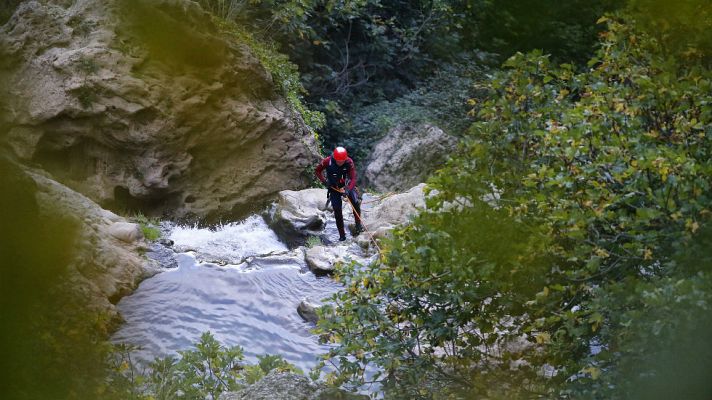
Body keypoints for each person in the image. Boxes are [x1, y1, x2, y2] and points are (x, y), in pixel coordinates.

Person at [315, 146, 364, 241]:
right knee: (337, 210)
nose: (341, 163)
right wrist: (324, 181)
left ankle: (358, 225)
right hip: (334, 187)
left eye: (342, 161)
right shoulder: (327, 161)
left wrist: (348, 190)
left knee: (355, 202)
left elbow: (353, 178)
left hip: (347, 185)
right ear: (335, 158)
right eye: (338, 161)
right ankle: (342, 236)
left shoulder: (349, 162)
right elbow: (317, 171)